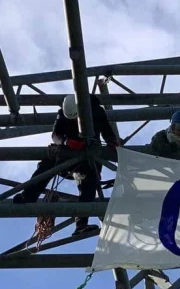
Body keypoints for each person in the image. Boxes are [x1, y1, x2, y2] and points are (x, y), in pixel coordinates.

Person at [13, 94, 119, 236]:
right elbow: (55, 135)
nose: (74, 121)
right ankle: (28, 195)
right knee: (45, 166)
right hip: (66, 153)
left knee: (89, 184)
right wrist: (66, 142)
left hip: (87, 157)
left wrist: (112, 141)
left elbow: (107, 131)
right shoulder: (62, 113)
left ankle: (81, 225)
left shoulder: (97, 111)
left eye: (76, 118)